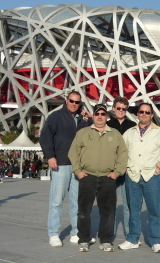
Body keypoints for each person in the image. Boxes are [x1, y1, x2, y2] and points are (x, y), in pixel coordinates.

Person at [68, 104, 128, 252]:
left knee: (107, 211)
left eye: (102, 114)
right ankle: (84, 239)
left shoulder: (114, 134)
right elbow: (73, 153)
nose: (100, 116)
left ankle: (106, 239)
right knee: (84, 211)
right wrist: (78, 171)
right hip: (87, 176)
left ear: (107, 116)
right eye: (97, 114)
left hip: (107, 177)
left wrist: (117, 172)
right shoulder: (82, 133)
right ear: (92, 116)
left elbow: (123, 154)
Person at [39, 90, 93, 247]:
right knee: (56, 200)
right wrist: (50, 156)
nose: (74, 104)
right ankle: (54, 233)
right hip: (61, 163)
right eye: (71, 101)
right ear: (66, 100)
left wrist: (89, 119)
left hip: (78, 166)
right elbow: (45, 137)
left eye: (77, 102)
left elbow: (92, 133)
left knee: (77, 201)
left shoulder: (82, 120)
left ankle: (75, 232)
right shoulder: (55, 117)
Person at [118, 103, 160, 253]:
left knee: (154, 210)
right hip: (133, 176)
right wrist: (126, 169)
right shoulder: (129, 133)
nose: (144, 114)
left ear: (152, 115)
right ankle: (132, 238)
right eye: (141, 112)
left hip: (151, 177)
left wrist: (158, 169)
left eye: (147, 112)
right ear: (137, 114)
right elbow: (121, 152)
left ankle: (156, 241)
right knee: (133, 209)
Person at [106, 96, 136, 238]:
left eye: (124, 109)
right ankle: (108, 234)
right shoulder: (107, 124)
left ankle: (130, 235)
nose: (121, 111)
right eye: (118, 108)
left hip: (126, 170)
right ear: (113, 109)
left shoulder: (132, 125)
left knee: (128, 204)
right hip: (110, 170)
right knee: (109, 204)